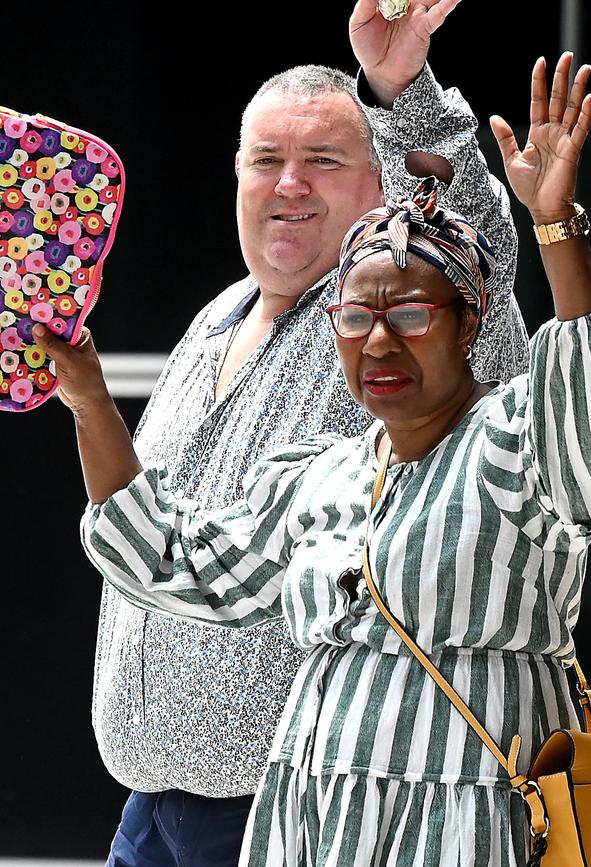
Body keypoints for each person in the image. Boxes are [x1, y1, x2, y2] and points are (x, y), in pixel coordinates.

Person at [37, 52, 591, 865]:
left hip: (462, 826)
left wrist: (555, 227)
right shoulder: (322, 473)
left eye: (408, 311)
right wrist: (88, 402)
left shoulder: (516, 446)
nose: (380, 338)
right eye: (357, 316)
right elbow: (167, 555)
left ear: (471, 322)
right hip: (302, 826)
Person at [82, 1, 528, 864]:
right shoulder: (217, 315)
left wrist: (402, 90)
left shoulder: (404, 322)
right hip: (150, 807)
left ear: (384, 184)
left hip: (308, 813)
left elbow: (482, 253)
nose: (289, 184)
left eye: (323, 161)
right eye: (267, 162)